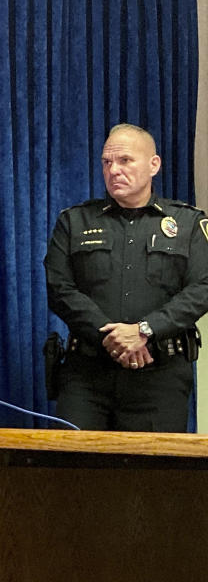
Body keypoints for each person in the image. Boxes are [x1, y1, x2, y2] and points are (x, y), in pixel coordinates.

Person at [44, 123, 208, 432]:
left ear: (153, 164)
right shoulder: (74, 221)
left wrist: (145, 331)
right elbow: (59, 288)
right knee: (70, 473)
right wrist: (114, 339)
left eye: (125, 161)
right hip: (87, 378)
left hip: (160, 379)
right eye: (107, 162)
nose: (114, 170)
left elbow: (202, 288)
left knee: (151, 477)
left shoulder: (188, 223)